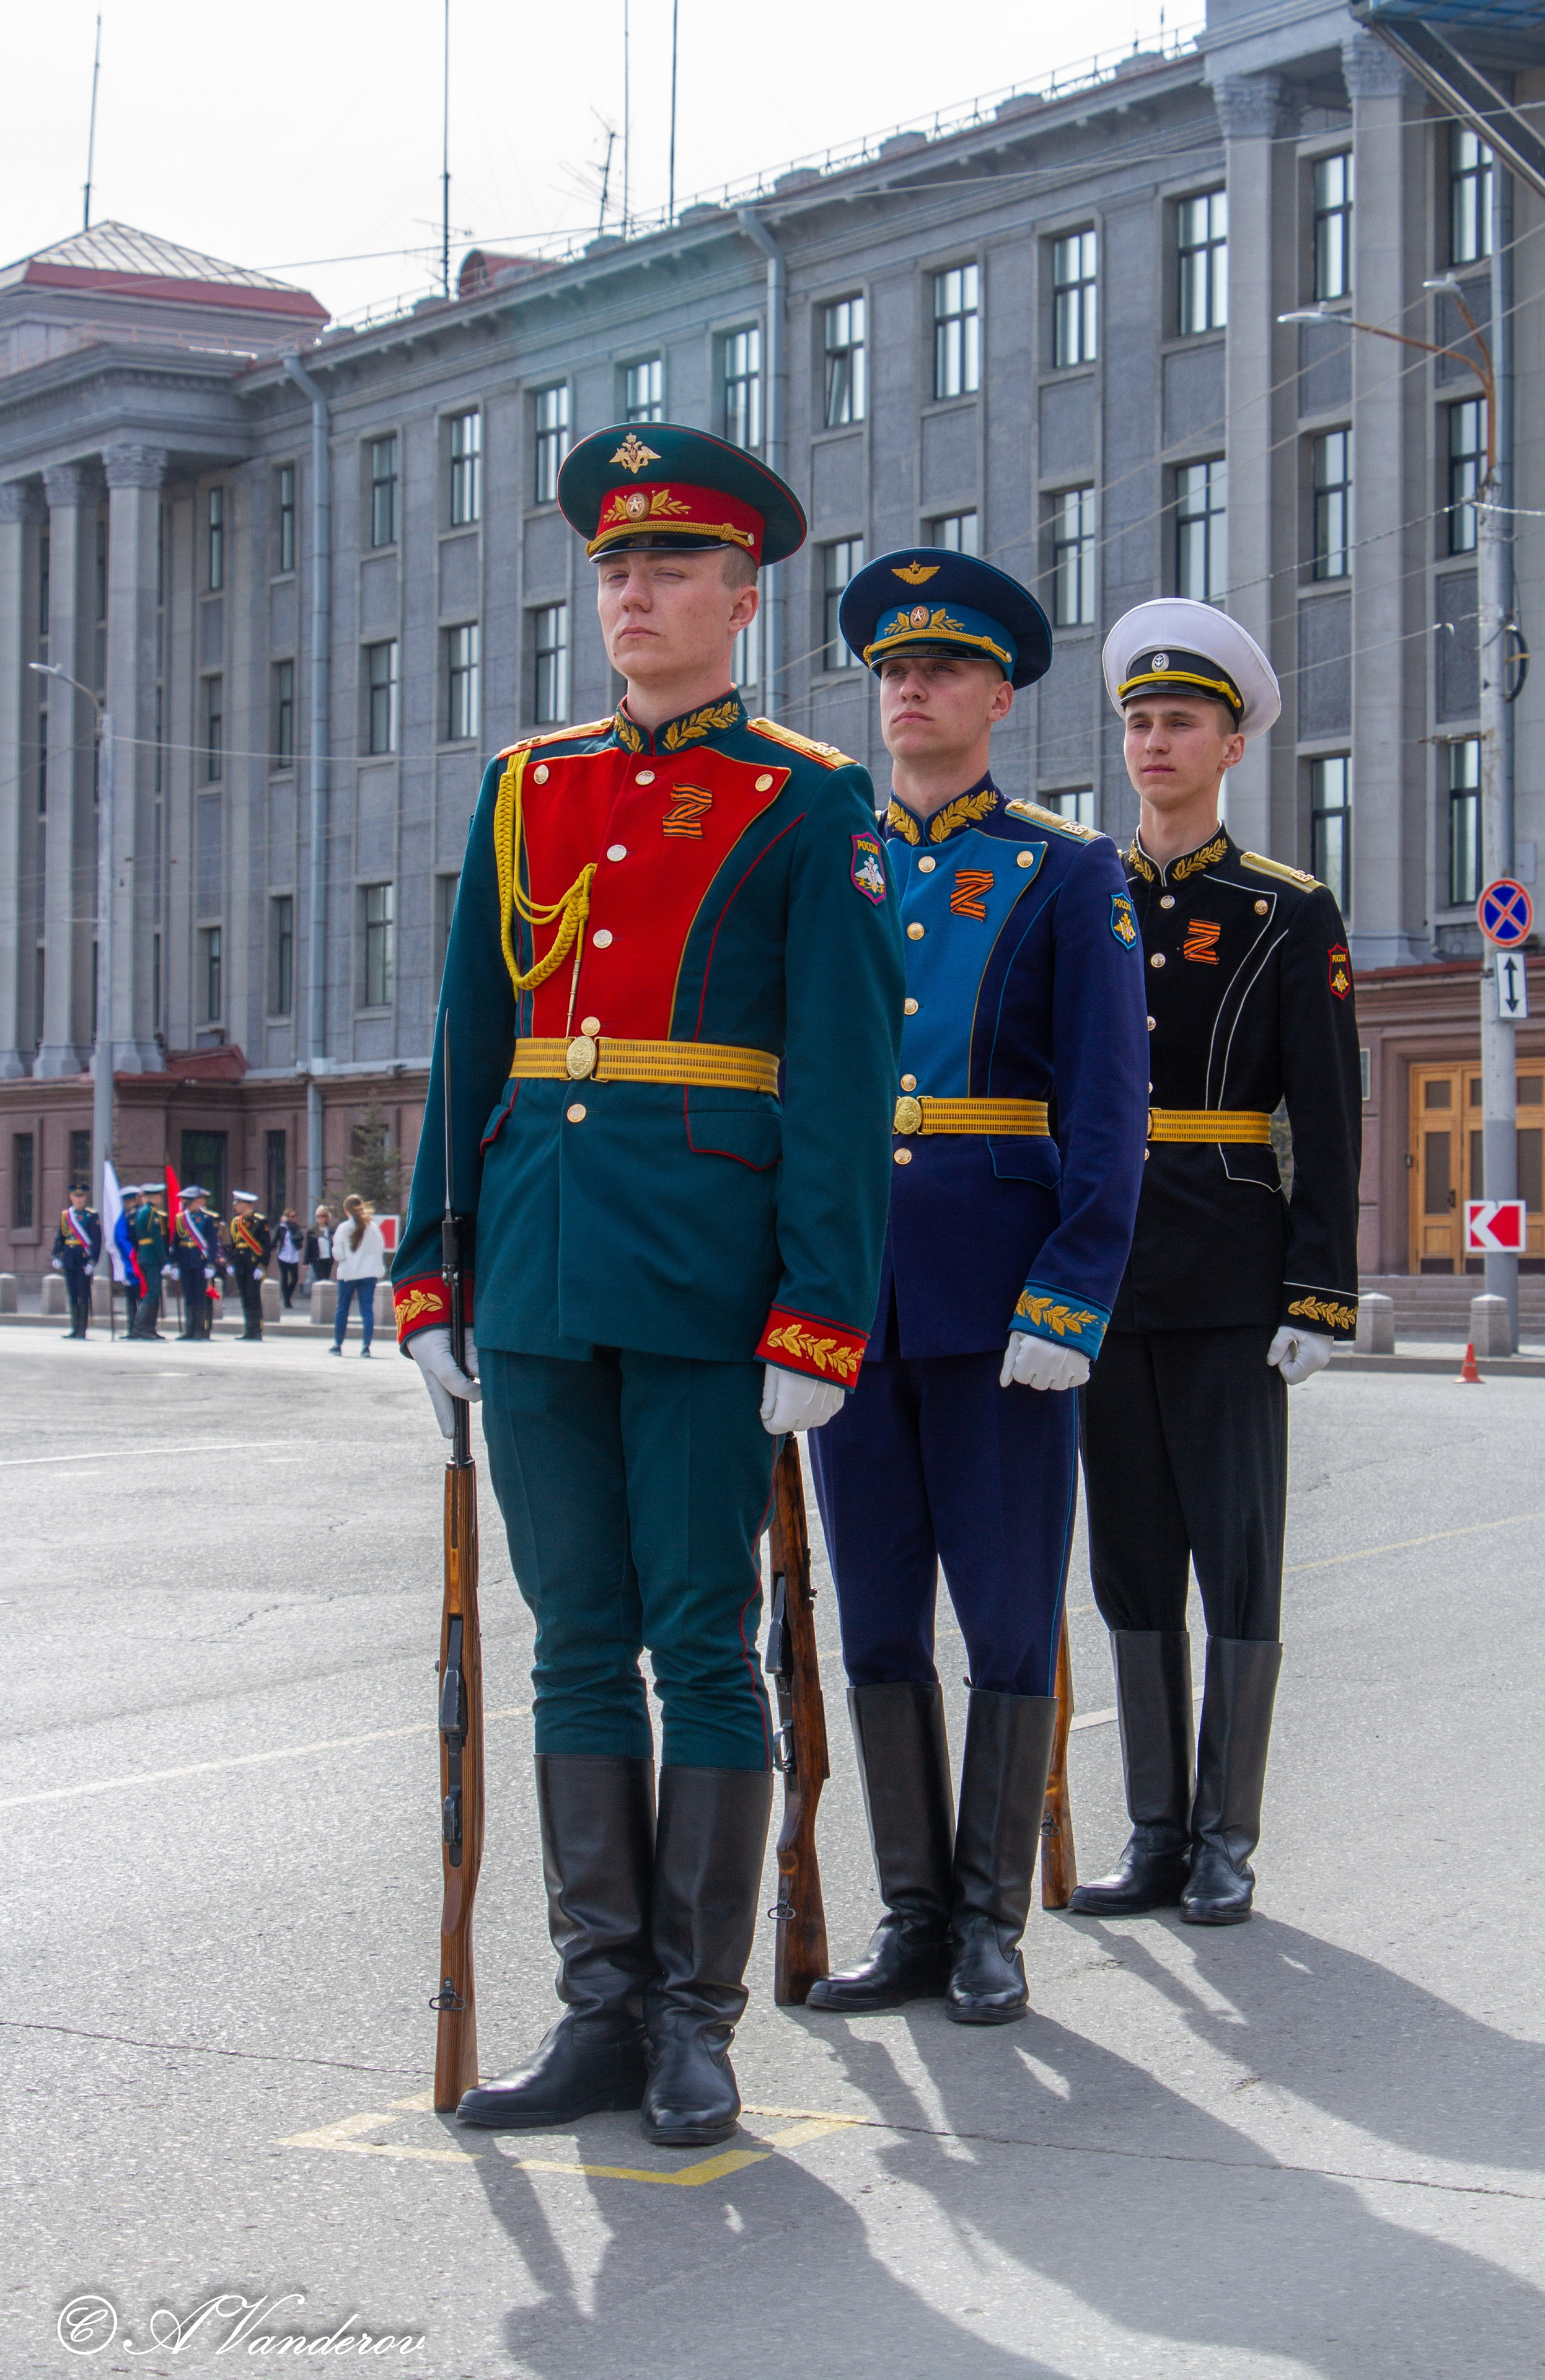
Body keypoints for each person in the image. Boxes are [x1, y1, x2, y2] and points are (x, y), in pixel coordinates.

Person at [392, 421, 903, 2146]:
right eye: (614, 568)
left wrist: (822, 1309)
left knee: (700, 1640)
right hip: (537, 1261)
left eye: (670, 568)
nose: (632, 595)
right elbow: (469, 1037)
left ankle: (696, 2018)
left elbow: (844, 1075)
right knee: (572, 1644)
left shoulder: (805, 797)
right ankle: (597, 2006)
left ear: (741, 600)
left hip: (706, 1269)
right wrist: (431, 1270)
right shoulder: (527, 785)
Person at [802, 551, 1150, 2025]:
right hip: (846, 1298)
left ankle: (991, 1919)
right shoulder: (829, 861)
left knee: (1005, 1614)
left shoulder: (1065, 870)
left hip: (1001, 1299)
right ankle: (911, 1915)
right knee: (875, 1615)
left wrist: (1070, 1293)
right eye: (891, 670)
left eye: (939, 669)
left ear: (997, 698)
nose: (909, 690)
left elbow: (1107, 1103)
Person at [1072, 599, 1360, 1928]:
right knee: (1129, 1557)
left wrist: (1318, 1290)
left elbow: (1329, 1110)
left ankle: (1225, 1837)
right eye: (1138, 720)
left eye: (1180, 721)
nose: (1153, 742)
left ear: (1231, 745)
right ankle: (1153, 1834)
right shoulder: (1079, 892)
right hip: (1099, 1267)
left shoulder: (1286, 910)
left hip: (1231, 1268)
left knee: (1235, 1556)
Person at [330, 1195, 383, 1356]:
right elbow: (379, 1249)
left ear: (346, 1210)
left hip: (349, 1274)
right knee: (367, 1310)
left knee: (342, 1309)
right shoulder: (372, 1228)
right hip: (369, 1274)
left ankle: (338, 1345)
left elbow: (339, 1255)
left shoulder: (343, 1228)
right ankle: (366, 1347)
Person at [51, 1182, 102, 1339]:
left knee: (83, 1293)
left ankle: (82, 1329)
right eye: (76, 1196)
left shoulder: (91, 1216)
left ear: (85, 1198)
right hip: (69, 1257)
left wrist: (93, 1261)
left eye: (81, 1196)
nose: (79, 1199)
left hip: (83, 1259)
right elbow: (61, 1237)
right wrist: (56, 1254)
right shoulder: (66, 1215)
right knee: (73, 1293)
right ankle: (75, 1328)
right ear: (71, 1197)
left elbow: (97, 1240)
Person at [170, 1185, 221, 1340]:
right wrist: (174, 1264)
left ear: (196, 1202)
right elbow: (175, 1242)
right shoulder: (181, 1218)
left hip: (200, 1261)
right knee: (189, 1296)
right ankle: (189, 1330)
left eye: (189, 1202)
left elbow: (212, 1243)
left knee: (199, 1296)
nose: (186, 1206)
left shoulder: (207, 1218)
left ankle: (200, 1330)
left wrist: (211, 1264)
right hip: (185, 1260)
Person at [224, 1191, 270, 1343]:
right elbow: (234, 1246)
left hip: (253, 1263)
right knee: (244, 1297)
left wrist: (262, 1266)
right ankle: (248, 1329)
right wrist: (231, 1263)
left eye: (237, 1203)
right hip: (240, 1263)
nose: (235, 1206)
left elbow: (266, 1246)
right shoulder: (235, 1222)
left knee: (253, 1296)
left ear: (246, 1204)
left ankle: (257, 1330)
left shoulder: (260, 1221)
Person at [126, 1185, 169, 1340]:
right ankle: (141, 1327)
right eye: (159, 1196)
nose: (161, 1199)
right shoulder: (152, 1213)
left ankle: (149, 1328)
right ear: (155, 1197)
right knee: (153, 1292)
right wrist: (164, 1261)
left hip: (145, 1255)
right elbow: (156, 1239)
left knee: (152, 1292)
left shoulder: (142, 1211)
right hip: (152, 1256)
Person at [273, 1208, 305, 1311]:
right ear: (287, 1217)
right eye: (292, 1216)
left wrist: (290, 1225)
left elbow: (300, 1238)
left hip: (293, 1256)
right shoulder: (281, 1227)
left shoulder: (296, 1227)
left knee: (295, 1278)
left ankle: (286, 1296)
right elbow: (275, 1240)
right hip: (283, 1256)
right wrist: (269, 1250)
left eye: (295, 1216)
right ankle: (287, 1301)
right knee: (284, 1277)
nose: (294, 1218)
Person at [306, 1206, 336, 1284]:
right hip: (317, 1260)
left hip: (328, 1259)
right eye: (318, 1216)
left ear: (327, 1217)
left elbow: (334, 1243)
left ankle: (325, 1293)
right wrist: (306, 1262)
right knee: (320, 1280)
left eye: (322, 1216)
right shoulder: (312, 1230)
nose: (320, 1218)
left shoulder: (331, 1230)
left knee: (326, 1281)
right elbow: (308, 1247)